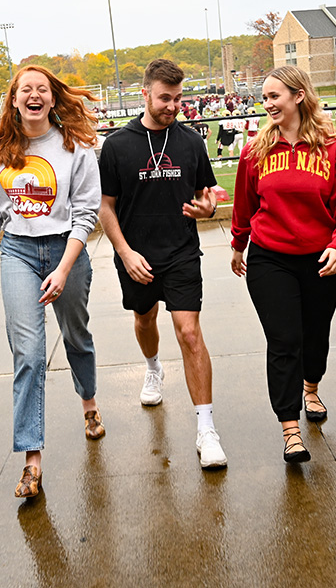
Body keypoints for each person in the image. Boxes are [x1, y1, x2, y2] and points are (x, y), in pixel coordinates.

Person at [0, 65, 105, 499]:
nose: (33, 95)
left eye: (41, 89)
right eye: (24, 89)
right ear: (13, 101)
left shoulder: (76, 147)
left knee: (76, 334)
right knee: (28, 353)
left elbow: (86, 213)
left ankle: (88, 403)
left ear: (52, 100)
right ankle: (32, 460)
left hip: (67, 249)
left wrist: (65, 268)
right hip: (18, 253)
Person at [230, 66, 336, 463]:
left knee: (315, 333)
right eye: (265, 98)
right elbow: (244, 204)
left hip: (322, 258)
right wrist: (238, 245)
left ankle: (311, 387)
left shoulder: (332, 148)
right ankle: (290, 428)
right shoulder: (255, 149)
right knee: (284, 340)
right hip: (271, 258)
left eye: (275, 96)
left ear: (299, 96)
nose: (268, 104)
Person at [99, 58, 227, 469]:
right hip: (136, 255)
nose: (173, 105)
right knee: (144, 319)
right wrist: (125, 252)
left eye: (178, 98)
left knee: (189, 333)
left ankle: (206, 428)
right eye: (164, 98)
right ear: (145, 94)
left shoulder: (191, 141)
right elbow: (105, 208)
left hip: (181, 253)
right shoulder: (117, 145)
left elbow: (206, 196)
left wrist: (207, 209)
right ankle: (153, 368)